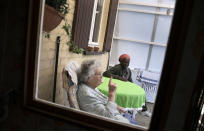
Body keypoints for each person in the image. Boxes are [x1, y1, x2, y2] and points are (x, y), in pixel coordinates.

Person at [77, 59, 137, 125]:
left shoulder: (91, 87)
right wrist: (112, 94)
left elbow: (104, 101)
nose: (102, 76)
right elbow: (108, 118)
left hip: (118, 115)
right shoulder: (86, 94)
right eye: (99, 74)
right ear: (88, 78)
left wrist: (117, 107)